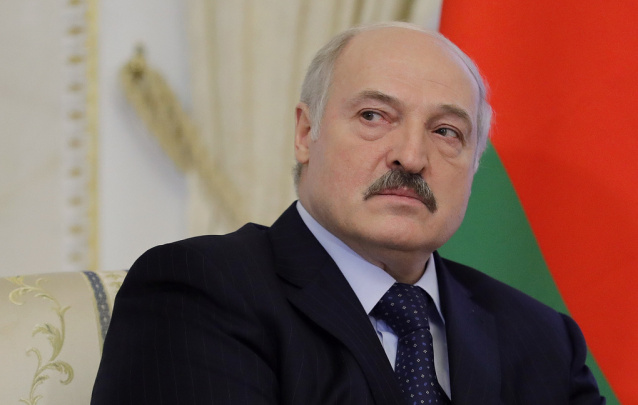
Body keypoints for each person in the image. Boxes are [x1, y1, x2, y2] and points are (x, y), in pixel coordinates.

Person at [91, 22, 605, 404]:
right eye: (374, 116)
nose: (411, 156)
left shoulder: (542, 339)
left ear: (474, 164)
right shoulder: (199, 289)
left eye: (446, 131)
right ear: (305, 134)